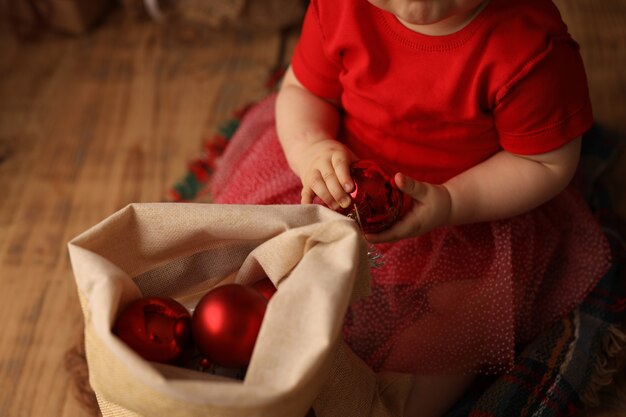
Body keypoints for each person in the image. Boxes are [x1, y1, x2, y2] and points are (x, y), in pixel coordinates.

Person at [209, 0, 612, 415]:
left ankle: (388, 403)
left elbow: (545, 163)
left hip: (468, 212)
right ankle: (236, 351)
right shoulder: (341, 7)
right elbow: (303, 91)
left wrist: (454, 201)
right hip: (333, 178)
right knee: (254, 248)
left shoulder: (531, 48)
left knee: (462, 320)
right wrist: (312, 147)